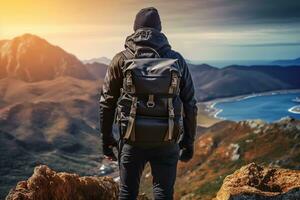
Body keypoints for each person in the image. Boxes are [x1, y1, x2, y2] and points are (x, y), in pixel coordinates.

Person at [99, 7, 197, 200]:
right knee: (163, 192)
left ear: (135, 29)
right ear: (160, 30)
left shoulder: (122, 59)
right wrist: (188, 142)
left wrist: (106, 139)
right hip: (167, 139)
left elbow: (106, 102)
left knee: (127, 192)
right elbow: (190, 104)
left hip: (131, 138)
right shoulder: (176, 60)